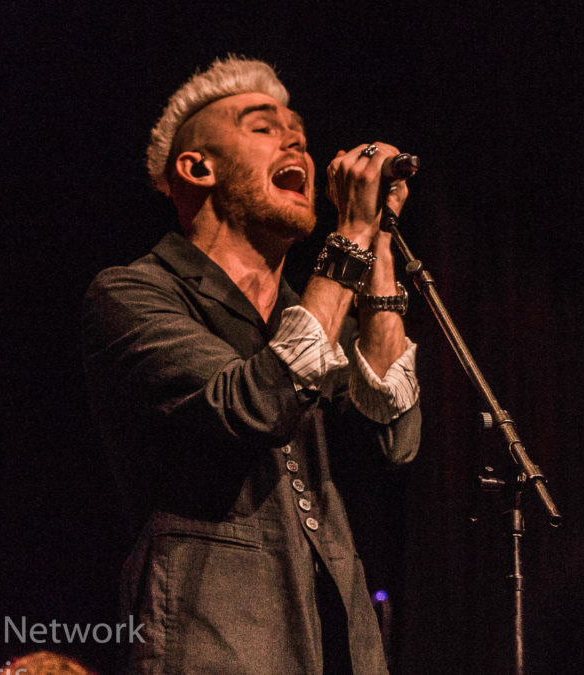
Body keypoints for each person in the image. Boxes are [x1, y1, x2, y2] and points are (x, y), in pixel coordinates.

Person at [82, 56, 421, 673]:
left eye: (300, 132)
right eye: (263, 126)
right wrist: (348, 237)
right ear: (197, 166)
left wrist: (379, 245)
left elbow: (393, 441)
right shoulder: (135, 292)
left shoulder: (318, 313)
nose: (297, 139)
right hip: (210, 639)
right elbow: (250, 404)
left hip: (339, 647)